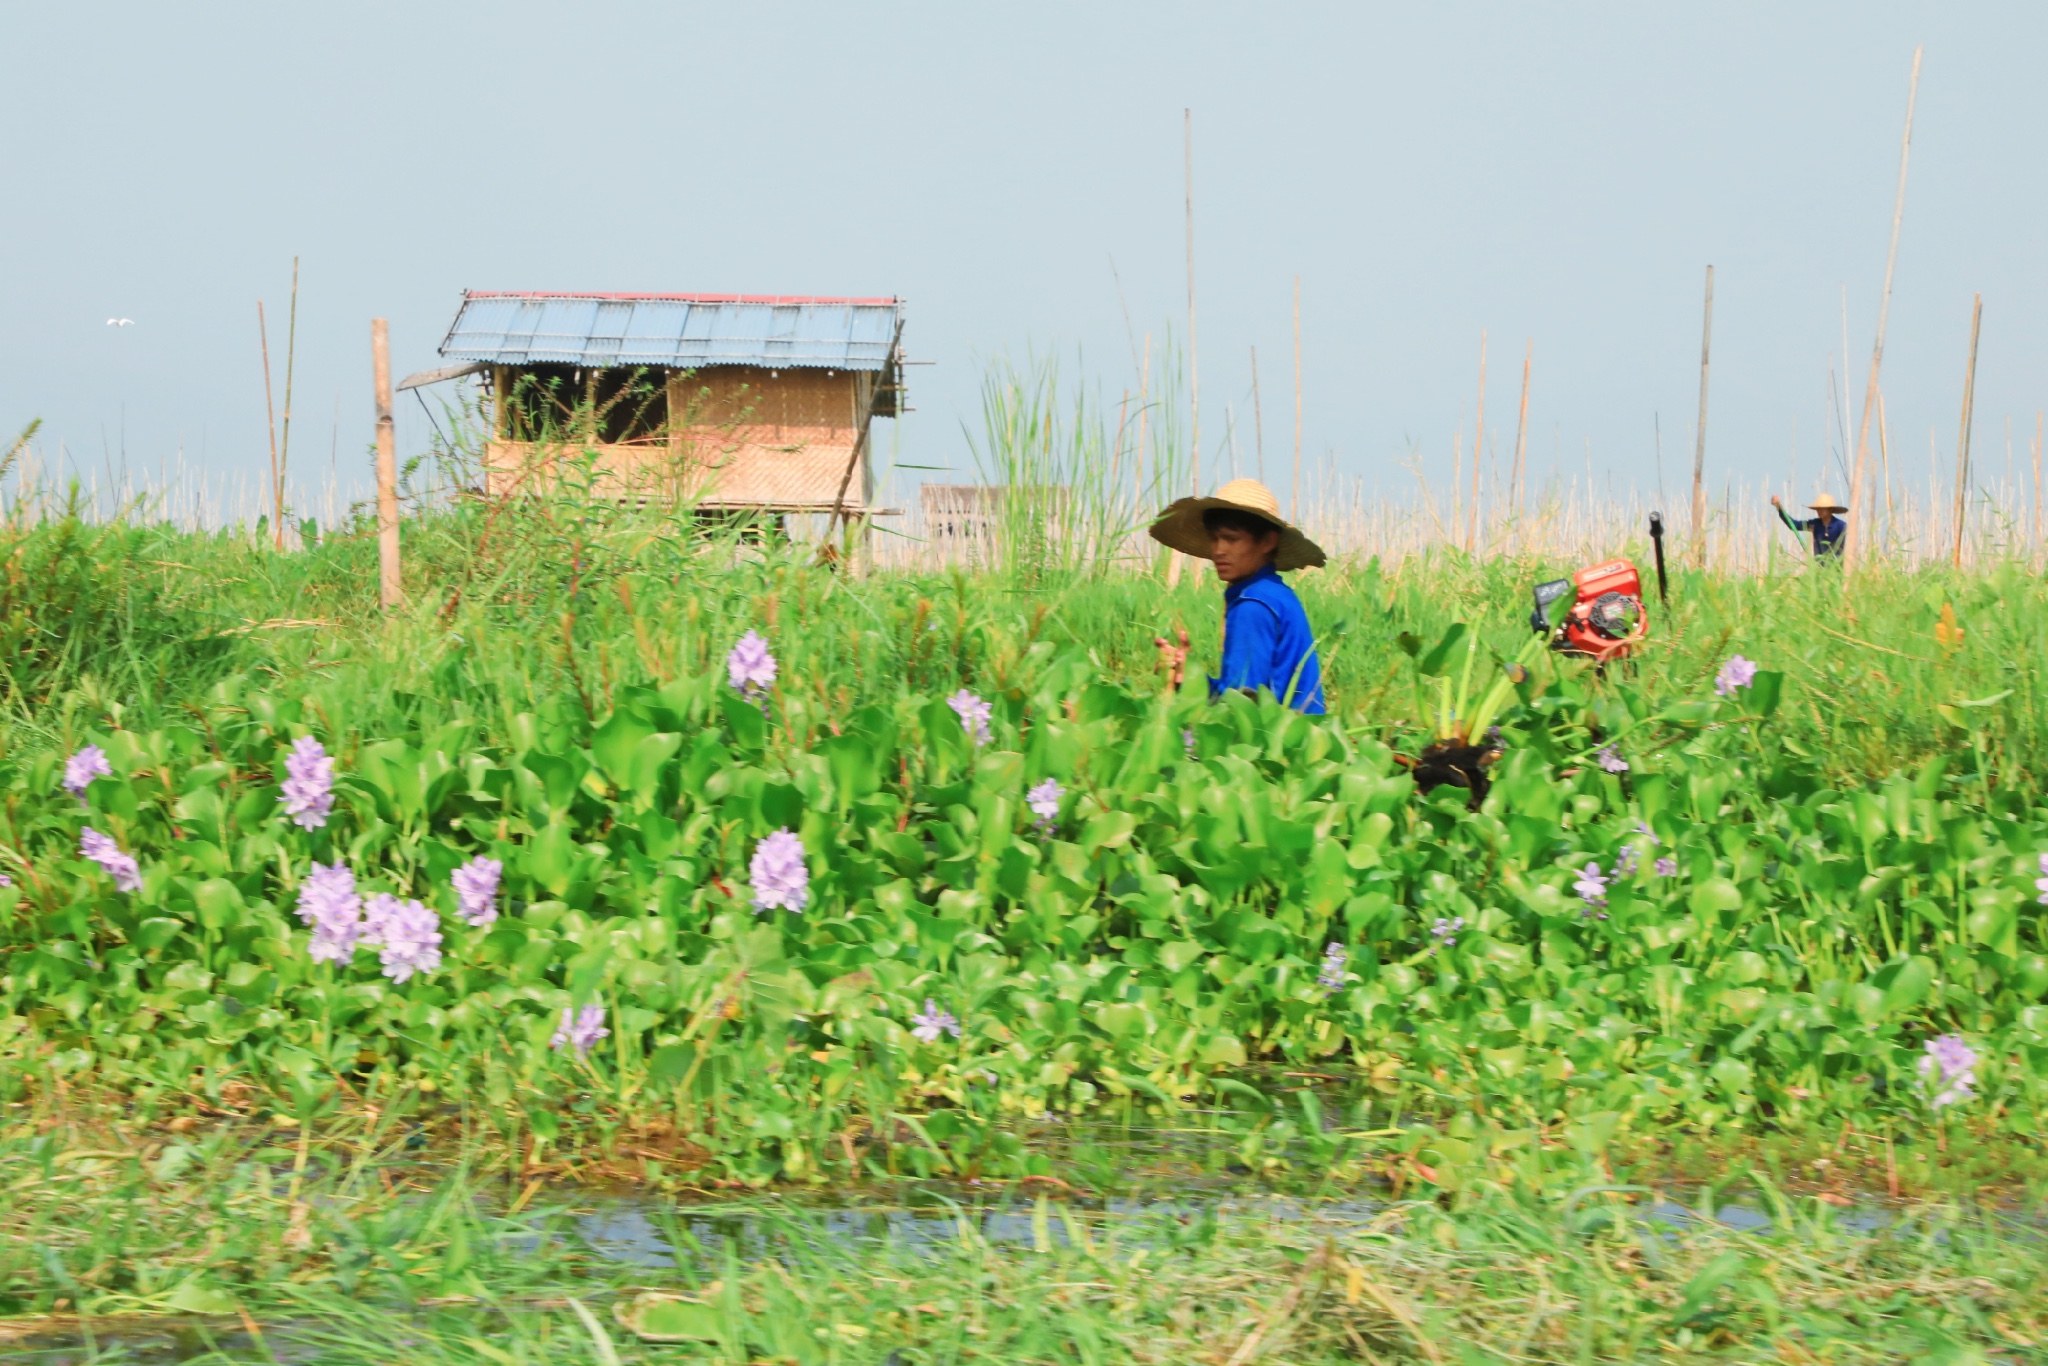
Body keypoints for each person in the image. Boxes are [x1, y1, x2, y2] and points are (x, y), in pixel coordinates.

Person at [1147, 478, 1327, 714]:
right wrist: (1187, 676)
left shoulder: (1253, 604)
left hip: (1280, 745)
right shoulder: (1275, 593)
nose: (1218, 550)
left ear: (1267, 541)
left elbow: (1242, 704)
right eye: (1214, 538)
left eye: (1231, 539)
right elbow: (1238, 693)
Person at [1772, 492, 1847, 558]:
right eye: (1818, 509)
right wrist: (1779, 507)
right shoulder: (1815, 524)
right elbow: (1794, 525)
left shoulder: (1841, 526)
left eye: (1822, 508)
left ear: (1830, 509)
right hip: (1819, 568)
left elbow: (1846, 548)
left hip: (1836, 567)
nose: (1819, 511)